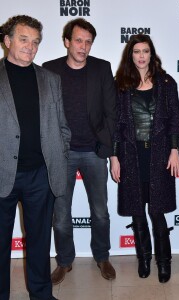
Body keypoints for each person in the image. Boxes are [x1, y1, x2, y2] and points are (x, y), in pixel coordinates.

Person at [0, 15, 71, 300]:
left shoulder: (50, 79)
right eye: (23, 39)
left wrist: (60, 158)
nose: (30, 47)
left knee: (40, 242)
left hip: (41, 175)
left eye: (36, 42)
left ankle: (41, 294)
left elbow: (62, 126)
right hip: (3, 173)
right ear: (7, 41)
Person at [42, 18, 117, 284]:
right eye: (78, 40)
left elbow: (111, 113)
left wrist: (111, 153)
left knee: (100, 211)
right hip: (61, 155)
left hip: (94, 153)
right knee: (60, 214)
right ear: (66, 41)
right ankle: (64, 261)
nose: (83, 46)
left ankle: (102, 256)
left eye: (88, 42)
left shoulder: (102, 68)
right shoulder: (48, 70)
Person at [111, 34, 179, 283]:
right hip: (131, 156)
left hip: (160, 156)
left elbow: (175, 118)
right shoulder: (120, 84)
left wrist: (175, 150)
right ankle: (144, 258)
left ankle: (164, 262)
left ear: (152, 54)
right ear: (130, 55)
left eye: (145, 51)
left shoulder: (166, 82)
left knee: (158, 212)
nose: (141, 56)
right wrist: (114, 157)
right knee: (137, 212)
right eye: (136, 52)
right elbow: (115, 126)